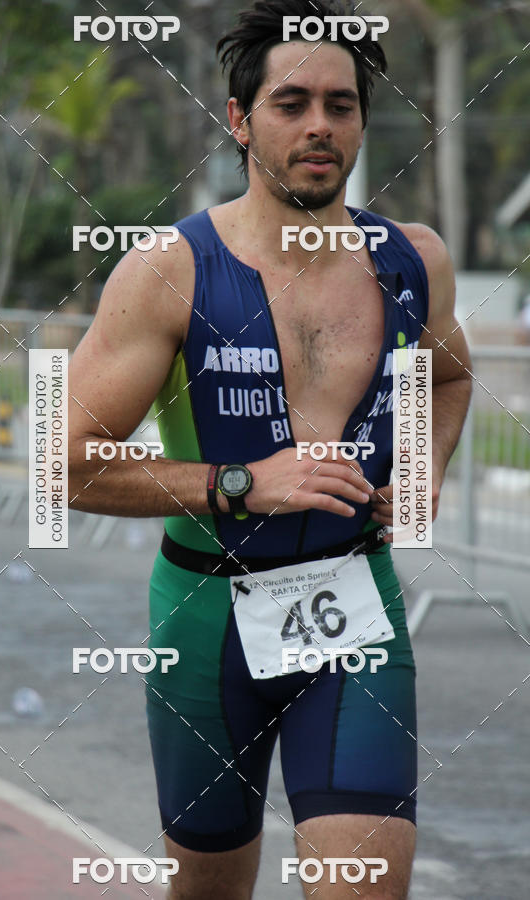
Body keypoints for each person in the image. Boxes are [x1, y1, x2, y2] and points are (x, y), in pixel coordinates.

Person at [68, 1, 472, 896]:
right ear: (240, 120)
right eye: (292, 104)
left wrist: (419, 476)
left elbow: (447, 379)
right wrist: (242, 482)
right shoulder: (168, 269)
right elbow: (65, 461)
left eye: (341, 104)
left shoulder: (415, 260)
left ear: (364, 121)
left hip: (354, 614)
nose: (320, 126)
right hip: (206, 624)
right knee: (211, 888)